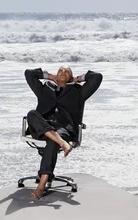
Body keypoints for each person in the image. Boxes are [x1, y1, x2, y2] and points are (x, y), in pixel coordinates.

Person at [24, 65, 103, 199]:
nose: (63, 72)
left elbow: (97, 77)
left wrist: (78, 79)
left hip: (64, 127)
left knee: (53, 141)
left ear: (70, 76)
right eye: (60, 70)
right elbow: (28, 74)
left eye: (67, 71)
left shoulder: (78, 92)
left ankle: (41, 186)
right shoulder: (45, 88)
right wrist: (49, 76)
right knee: (32, 114)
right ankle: (62, 143)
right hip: (42, 125)